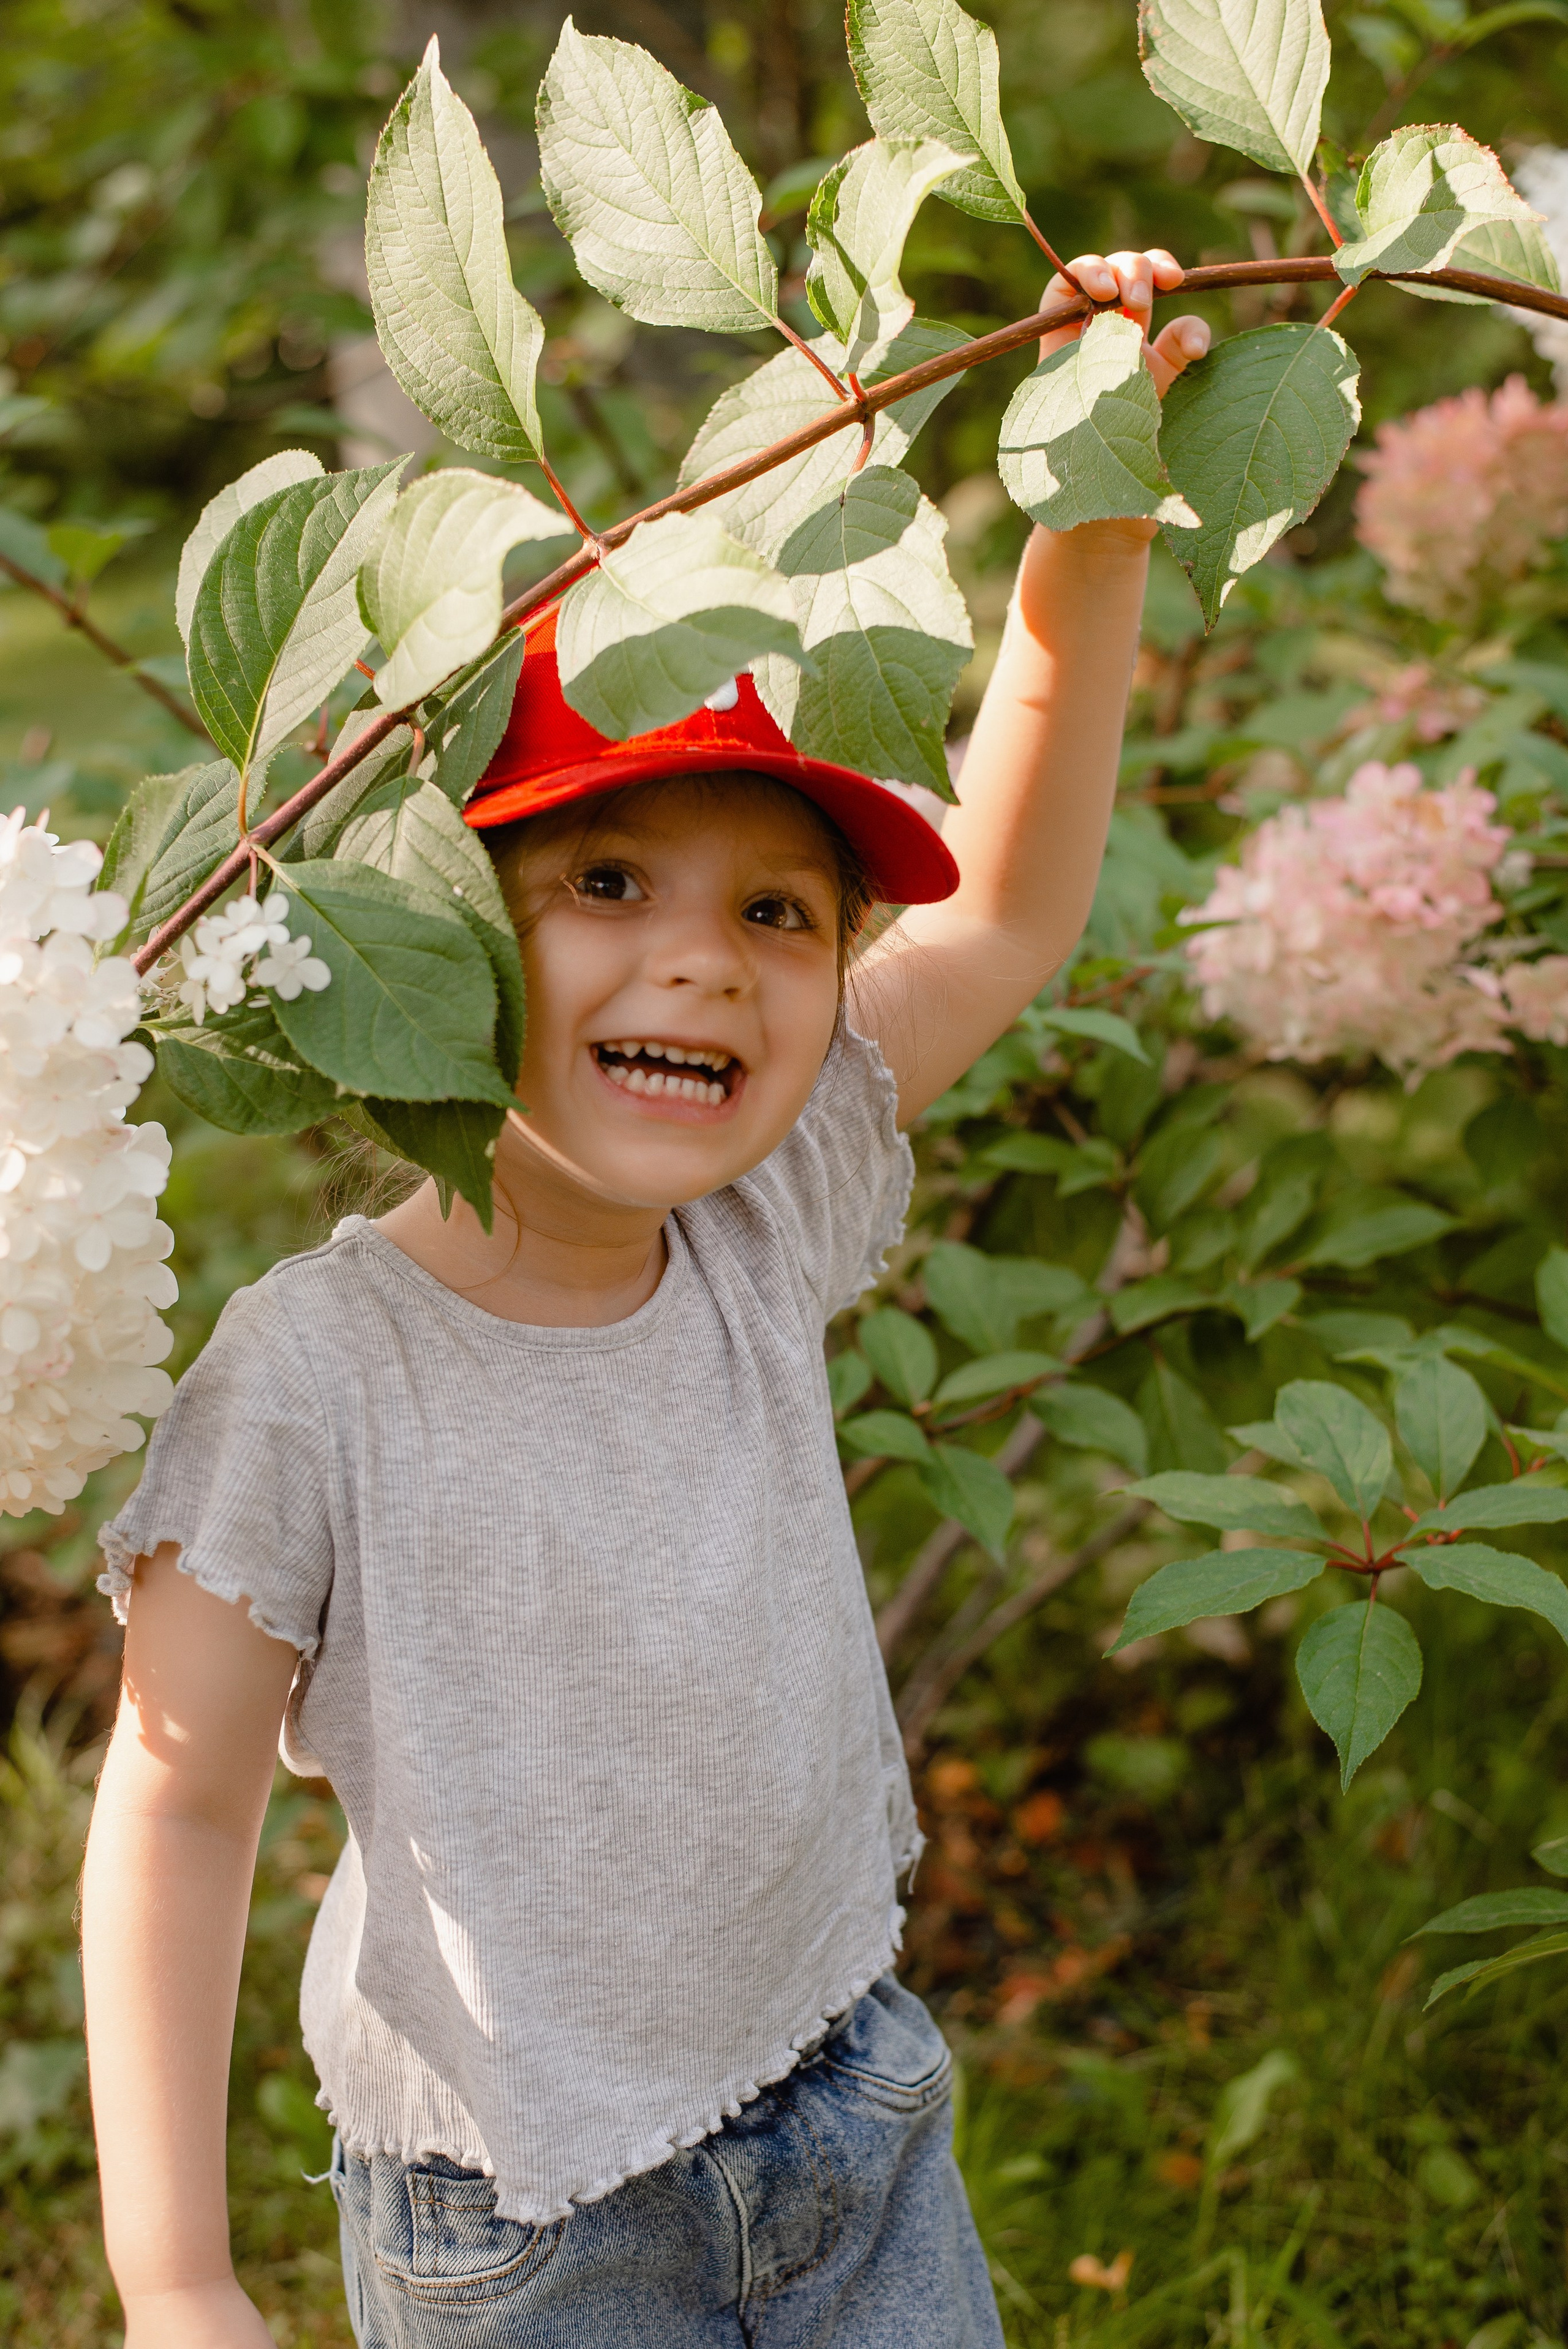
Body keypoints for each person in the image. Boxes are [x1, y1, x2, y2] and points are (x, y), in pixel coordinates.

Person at [81, 252, 1209, 2349]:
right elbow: (181, 1793)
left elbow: (1022, 894)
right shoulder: (320, 1374)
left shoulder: (759, 1218)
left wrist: (1094, 515)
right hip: (524, 2215)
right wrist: (174, 2273)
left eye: (778, 911)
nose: (702, 964)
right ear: (435, 934)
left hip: (846, 2098)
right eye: (605, 883)